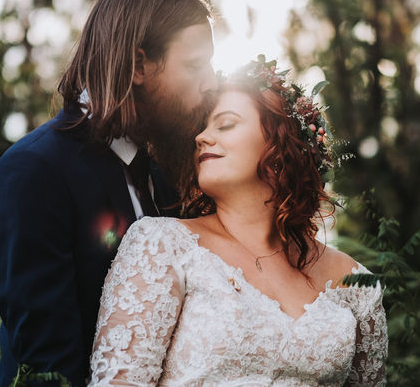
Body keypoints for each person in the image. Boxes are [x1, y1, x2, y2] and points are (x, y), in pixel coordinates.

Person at [89, 57, 388, 386]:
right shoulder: (161, 246)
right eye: (203, 127)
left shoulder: (356, 285)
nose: (202, 137)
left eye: (225, 123)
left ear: (281, 144)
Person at [0, 0, 217, 387]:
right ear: (138, 64)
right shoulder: (33, 172)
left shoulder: (165, 172)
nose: (210, 82)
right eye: (195, 65)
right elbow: (48, 365)